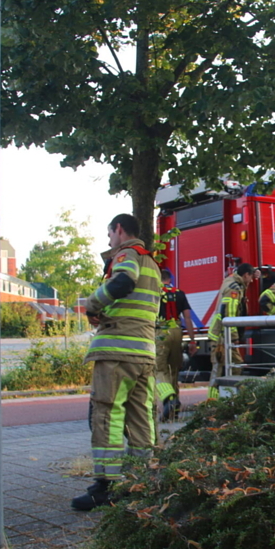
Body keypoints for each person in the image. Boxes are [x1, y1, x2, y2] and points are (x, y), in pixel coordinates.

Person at [72, 214, 161, 511]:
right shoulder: (154, 264)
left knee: (107, 416)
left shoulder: (127, 254)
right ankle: (141, 482)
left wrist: (93, 304)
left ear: (119, 230)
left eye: (109, 233)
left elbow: (123, 281)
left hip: (117, 352)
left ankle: (106, 487)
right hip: (144, 354)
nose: (109, 239)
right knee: (141, 418)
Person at [207, 263, 257, 398]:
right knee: (227, 367)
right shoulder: (233, 289)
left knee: (222, 367)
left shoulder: (231, 281)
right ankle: (216, 399)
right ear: (245, 275)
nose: (252, 281)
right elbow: (230, 314)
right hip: (223, 336)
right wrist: (233, 337)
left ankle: (221, 398)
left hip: (220, 334)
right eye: (251, 277)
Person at [155, 268, 195, 422]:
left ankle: (169, 398)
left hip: (161, 332)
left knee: (159, 369)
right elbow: (187, 317)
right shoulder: (180, 293)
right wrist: (192, 341)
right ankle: (173, 411)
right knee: (173, 371)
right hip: (177, 331)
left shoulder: (155, 293)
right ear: (169, 279)